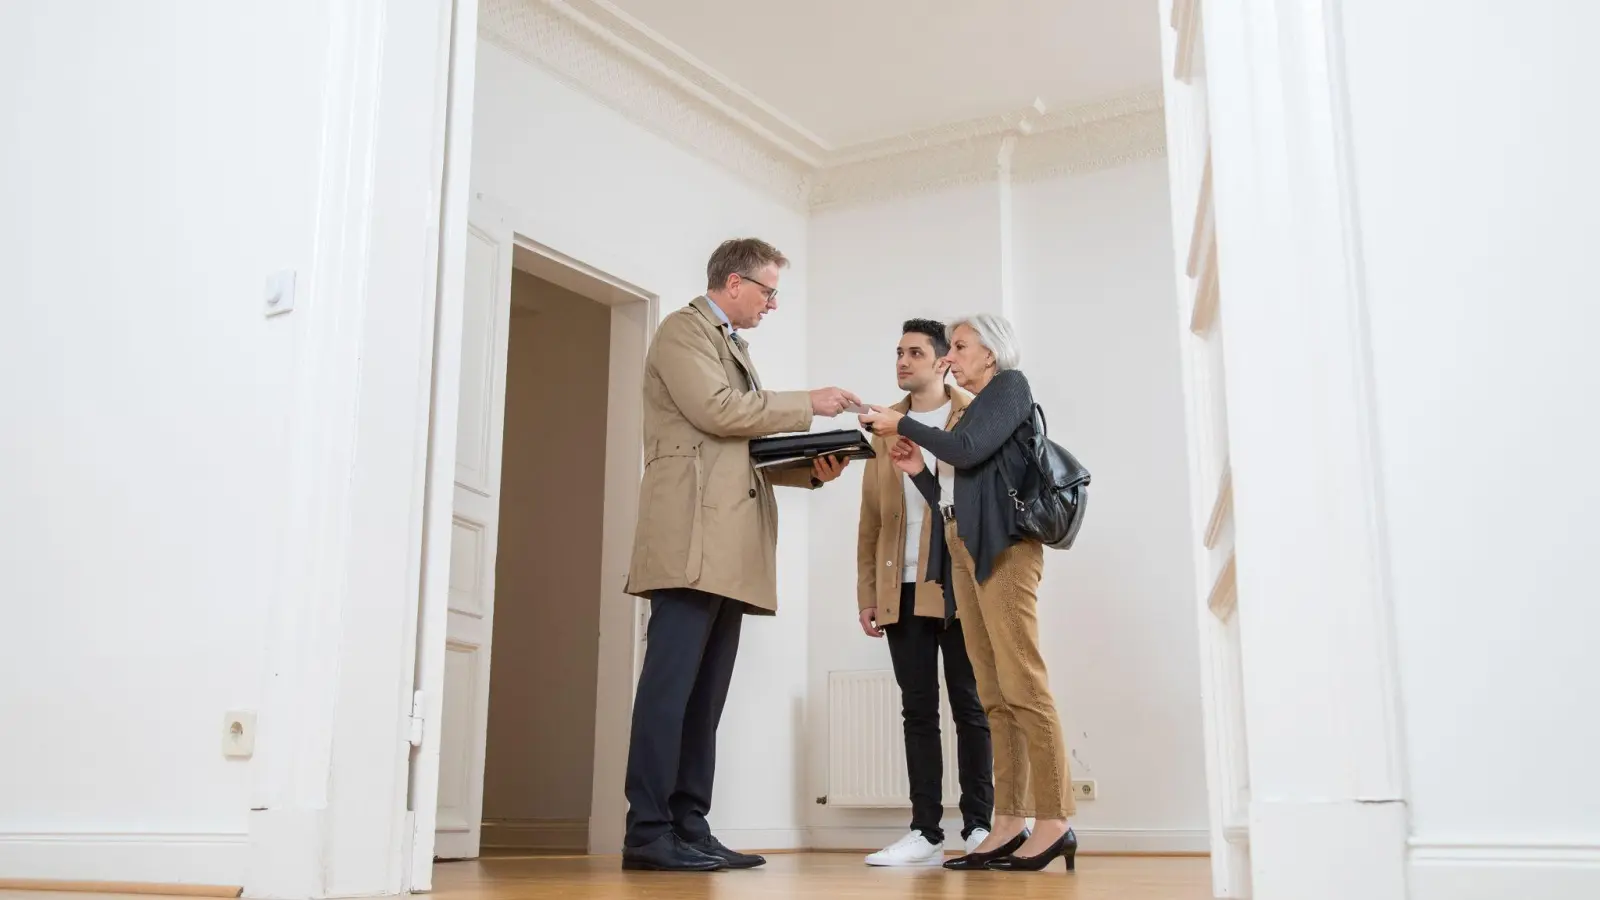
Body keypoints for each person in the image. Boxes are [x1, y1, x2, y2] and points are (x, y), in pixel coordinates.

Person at [621, 238, 860, 872]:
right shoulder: (683, 331)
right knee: (669, 691)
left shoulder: (732, 345)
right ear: (733, 283)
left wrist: (812, 470)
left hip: (728, 539)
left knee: (706, 695)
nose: (773, 303)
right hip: (690, 537)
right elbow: (719, 411)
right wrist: (809, 403)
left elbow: (741, 451)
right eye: (768, 290)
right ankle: (647, 831)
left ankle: (688, 824)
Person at [860, 313, 1078, 873]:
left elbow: (966, 450)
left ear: (991, 352)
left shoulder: (1010, 387)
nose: (951, 357)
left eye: (960, 346)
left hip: (1004, 550)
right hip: (964, 548)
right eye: (950, 348)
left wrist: (904, 428)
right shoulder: (978, 408)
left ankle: (1054, 820)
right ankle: (1007, 821)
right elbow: (954, 491)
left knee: (1024, 683)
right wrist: (918, 473)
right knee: (994, 695)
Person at [856, 319, 993, 867]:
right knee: (918, 710)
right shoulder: (883, 426)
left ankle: (981, 825)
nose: (902, 361)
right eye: (897, 353)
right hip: (900, 585)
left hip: (959, 582)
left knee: (972, 706)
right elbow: (869, 519)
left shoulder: (975, 415)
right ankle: (926, 831)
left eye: (915, 352)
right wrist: (867, 592)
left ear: (942, 361)